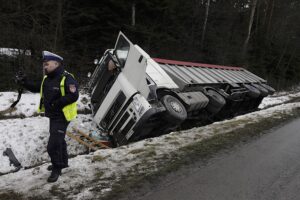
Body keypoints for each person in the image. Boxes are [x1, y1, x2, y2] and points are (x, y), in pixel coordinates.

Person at [16, 51, 79, 183]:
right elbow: (37, 88)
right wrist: (24, 82)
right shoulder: (47, 78)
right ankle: (63, 162)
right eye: (44, 64)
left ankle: (57, 168)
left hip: (62, 117)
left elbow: (74, 95)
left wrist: (57, 103)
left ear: (56, 64)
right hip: (52, 116)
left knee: (52, 146)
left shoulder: (67, 78)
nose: (44, 66)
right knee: (59, 140)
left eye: (47, 64)